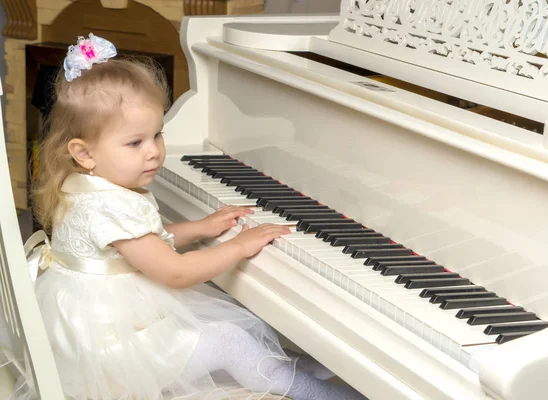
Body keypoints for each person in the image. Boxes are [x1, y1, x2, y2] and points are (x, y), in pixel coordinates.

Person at [9, 34, 365, 400]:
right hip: (113, 356)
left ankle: (285, 368)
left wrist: (200, 228)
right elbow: (175, 272)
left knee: (226, 321)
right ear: (84, 153)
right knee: (228, 336)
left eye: (158, 135)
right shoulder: (111, 207)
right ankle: (321, 392)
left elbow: (145, 243)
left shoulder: (82, 184)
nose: (154, 153)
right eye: (135, 143)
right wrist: (239, 246)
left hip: (90, 326)